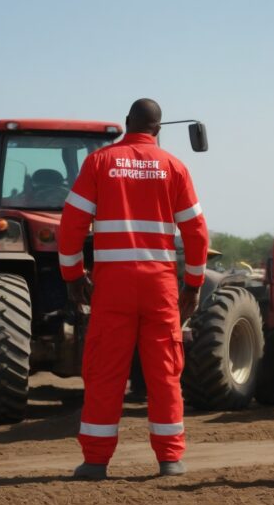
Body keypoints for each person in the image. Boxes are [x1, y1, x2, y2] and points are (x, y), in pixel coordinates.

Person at [58, 98, 208, 480]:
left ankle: (95, 461)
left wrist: (74, 276)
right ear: (158, 130)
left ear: (128, 123)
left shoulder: (99, 163)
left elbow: (72, 225)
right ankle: (170, 460)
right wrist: (192, 285)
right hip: (159, 285)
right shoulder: (174, 167)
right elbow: (196, 232)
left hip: (113, 285)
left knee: (105, 371)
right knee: (164, 372)